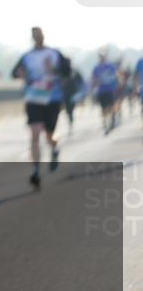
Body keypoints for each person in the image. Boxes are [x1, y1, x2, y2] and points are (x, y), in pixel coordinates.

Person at [12, 28, 69, 187]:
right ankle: (36, 171)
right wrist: (21, 74)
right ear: (32, 38)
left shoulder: (54, 53)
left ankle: (55, 149)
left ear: (43, 37)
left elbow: (68, 72)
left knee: (49, 135)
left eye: (40, 35)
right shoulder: (27, 56)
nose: (38, 38)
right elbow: (14, 73)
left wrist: (54, 69)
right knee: (35, 133)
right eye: (35, 36)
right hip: (34, 98)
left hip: (52, 99)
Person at [91, 51, 120, 135]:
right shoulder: (96, 67)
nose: (102, 58)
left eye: (103, 57)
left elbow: (116, 75)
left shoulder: (110, 66)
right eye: (100, 57)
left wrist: (117, 84)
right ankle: (105, 123)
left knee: (111, 106)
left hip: (110, 89)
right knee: (103, 108)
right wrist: (93, 87)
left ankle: (112, 119)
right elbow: (94, 78)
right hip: (101, 90)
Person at [61, 67, 86, 133]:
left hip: (73, 94)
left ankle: (71, 122)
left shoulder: (73, 71)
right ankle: (70, 122)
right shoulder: (61, 73)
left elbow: (80, 80)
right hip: (65, 95)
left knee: (71, 109)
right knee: (68, 110)